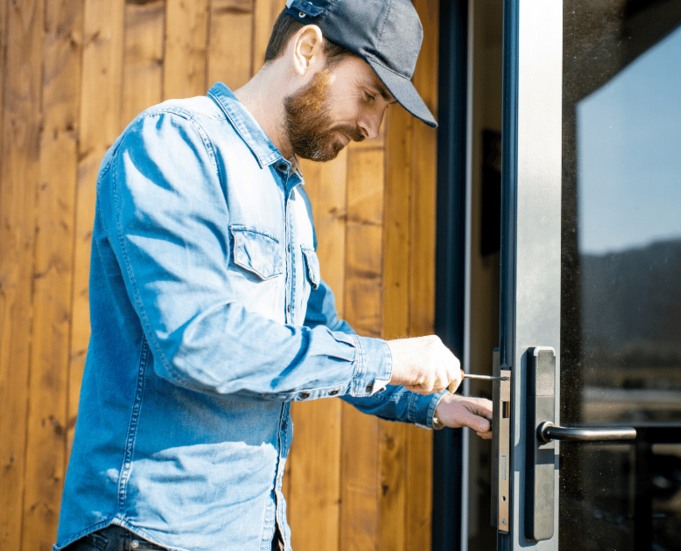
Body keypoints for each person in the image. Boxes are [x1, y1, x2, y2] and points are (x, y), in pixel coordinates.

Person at [55, 1, 492, 550]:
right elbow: (197, 341)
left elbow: (323, 341)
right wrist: (390, 357)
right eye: (369, 97)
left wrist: (427, 403)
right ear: (307, 50)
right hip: (147, 533)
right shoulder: (174, 144)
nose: (373, 127)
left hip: (254, 533)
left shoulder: (289, 199)